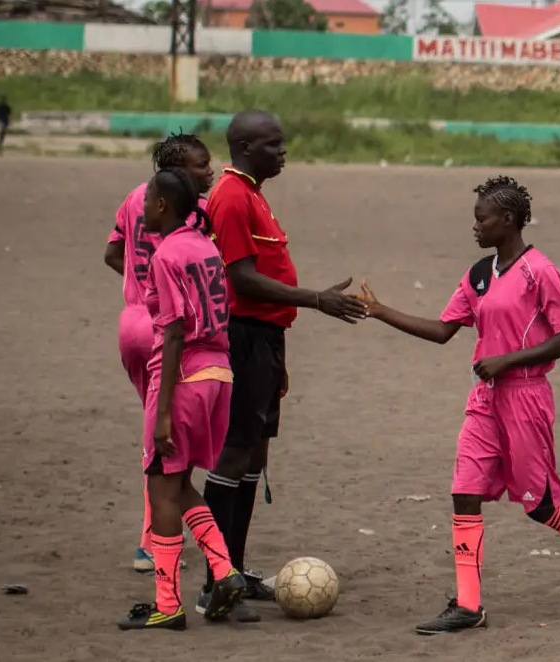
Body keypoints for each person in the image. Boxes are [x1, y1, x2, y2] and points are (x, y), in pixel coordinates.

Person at [354, 175, 560, 635]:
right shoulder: (479, 274)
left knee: (540, 504)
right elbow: (444, 330)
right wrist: (381, 311)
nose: (475, 227)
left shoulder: (539, 271)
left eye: (481, 219)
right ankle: (468, 606)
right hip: (484, 400)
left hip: (527, 398)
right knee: (464, 490)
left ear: (507, 220)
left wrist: (506, 360)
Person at [201, 109, 367, 616]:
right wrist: (315, 298)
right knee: (234, 453)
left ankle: (236, 569)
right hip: (244, 337)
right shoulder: (231, 197)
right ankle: (216, 579)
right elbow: (242, 279)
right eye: (274, 143)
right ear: (248, 147)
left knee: (255, 456)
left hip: (267, 339)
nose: (283, 150)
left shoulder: (252, 193)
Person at [117, 167, 246, 631]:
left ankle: (167, 604)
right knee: (180, 484)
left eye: (148, 197)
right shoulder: (205, 246)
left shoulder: (167, 255)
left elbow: (172, 333)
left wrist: (164, 411)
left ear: (162, 206)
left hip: (185, 376)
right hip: (220, 374)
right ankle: (225, 570)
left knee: (159, 483)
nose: (143, 204)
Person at [105, 131, 213, 575]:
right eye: (200, 167)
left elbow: (113, 253)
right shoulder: (199, 214)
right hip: (169, 332)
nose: (210, 172)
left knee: (159, 433)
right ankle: (153, 543)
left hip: (132, 322)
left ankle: (158, 536)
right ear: (175, 174)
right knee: (166, 443)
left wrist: (140, 281)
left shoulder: (134, 199)